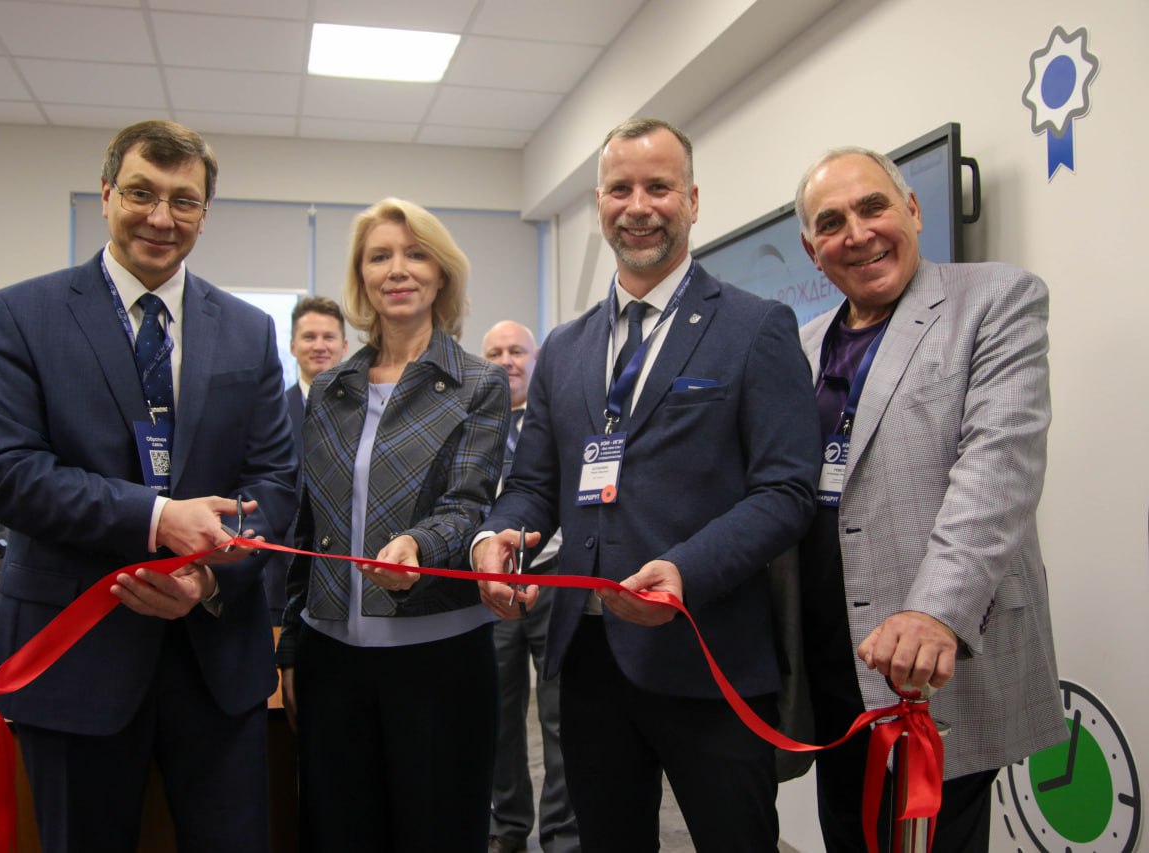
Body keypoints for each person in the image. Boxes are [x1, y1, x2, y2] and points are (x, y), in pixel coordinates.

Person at [473, 118, 821, 851]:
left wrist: (685, 571)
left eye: (659, 187)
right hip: (589, 662)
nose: (639, 206)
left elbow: (786, 491)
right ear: (599, 202)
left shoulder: (756, 327)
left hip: (709, 654)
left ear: (691, 200)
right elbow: (533, 484)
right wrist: (499, 534)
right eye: (620, 188)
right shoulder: (564, 348)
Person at [0, 119, 298, 852]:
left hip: (216, 660)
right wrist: (157, 519)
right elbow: (6, 470)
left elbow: (275, 481)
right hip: (73, 658)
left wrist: (206, 574)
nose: (160, 217)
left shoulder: (248, 329)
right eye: (142, 193)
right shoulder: (22, 315)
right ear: (107, 193)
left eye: (184, 201)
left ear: (205, 213)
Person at [793, 146, 1066, 852]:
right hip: (834, 663)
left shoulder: (995, 299)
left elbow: (998, 468)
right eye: (831, 222)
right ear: (812, 250)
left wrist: (934, 610)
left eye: (873, 207)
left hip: (933, 658)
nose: (857, 233)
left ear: (912, 211)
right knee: (848, 836)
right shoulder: (802, 345)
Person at [276, 198, 510, 852]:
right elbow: (306, 528)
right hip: (330, 660)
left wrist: (417, 544)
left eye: (415, 254)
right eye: (379, 256)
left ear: (442, 273)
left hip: (438, 660)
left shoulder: (479, 383)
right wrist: (291, 648)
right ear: (362, 276)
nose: (397, 269)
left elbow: (468, 504)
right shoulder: (330, 390)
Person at [481, 320, 579, 853]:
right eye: (495, 352)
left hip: (556, 574)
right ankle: (507, 824)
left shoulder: (560, 416)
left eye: (516, 350)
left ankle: (563, 832)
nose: (506, 361)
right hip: (490, 585)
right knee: (497, 711)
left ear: (536, 358)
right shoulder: (473, 423)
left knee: (560, 714)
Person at [260, 295, 348, 623]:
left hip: (350, 580)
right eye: (309, 337)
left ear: (344, 346)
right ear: (293, 346)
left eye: (329, 337)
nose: (319, 346)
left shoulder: (371, 415)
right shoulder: (269, 414)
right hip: (281, 579)